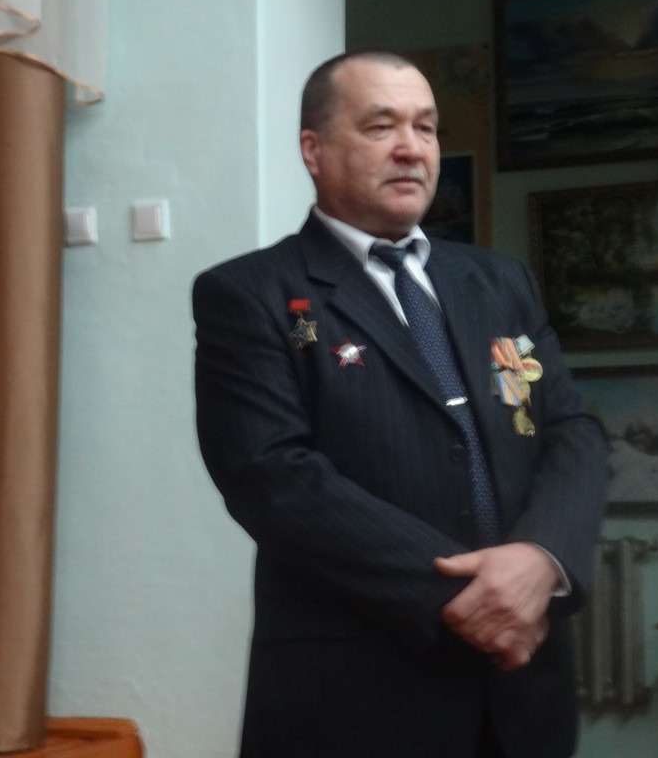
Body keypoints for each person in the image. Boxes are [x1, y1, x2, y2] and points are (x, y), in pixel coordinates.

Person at [192, 49, 608, 758]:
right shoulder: (252, 293)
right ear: (313, 150)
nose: (412, 147)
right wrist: (471, 597)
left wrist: (542, 557)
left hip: (523, 695)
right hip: (359, 695)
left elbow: (571, 430)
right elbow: (273, 476)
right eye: (381, 126)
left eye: (427, 127)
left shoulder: (500, 282)